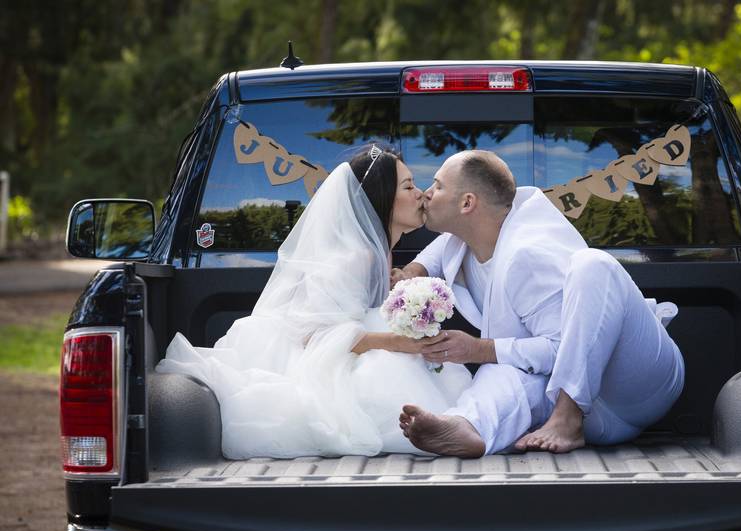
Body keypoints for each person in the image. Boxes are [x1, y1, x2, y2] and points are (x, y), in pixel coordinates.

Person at [155, 146, 472, 459]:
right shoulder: (355, 258)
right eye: (408, 186)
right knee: (392, 368)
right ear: (383, 198)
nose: (421, 193)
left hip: (337, 345)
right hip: (310, 358)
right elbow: (314, 334)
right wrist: (399, 342)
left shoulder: (377, 252)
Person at [395, 150, 685, 457]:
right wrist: (413, 272)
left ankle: (567, 419)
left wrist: (478, 349)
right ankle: (468, 426)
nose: (427, 193)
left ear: (467, 203)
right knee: (501, 371)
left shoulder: (527, 254)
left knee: (593, 264)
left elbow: (563, 350)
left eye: (438, 186)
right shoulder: (471, 233)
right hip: (586, 414)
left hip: (634, 389)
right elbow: (440, 250)